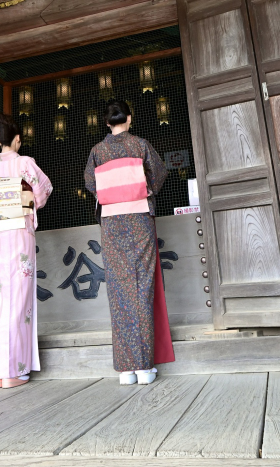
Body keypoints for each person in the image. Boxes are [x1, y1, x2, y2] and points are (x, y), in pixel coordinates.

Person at [84, 100, 175, 385]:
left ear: (106, 123)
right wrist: (143, 189)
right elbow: (158, 174)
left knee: (120, 290)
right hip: (138, 219)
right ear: (130, 118)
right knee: (142, 286)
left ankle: (126, 369)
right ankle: (145, 367)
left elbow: (90, 182)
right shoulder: (140, 145)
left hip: (112, 223)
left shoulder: (98, 151)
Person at [0, 113, 53, 389]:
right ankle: (15, 370)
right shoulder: (25, 163)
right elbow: (44, 191)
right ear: (18, 139)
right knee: (18, 302)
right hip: (18, 233)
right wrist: (29, 196)